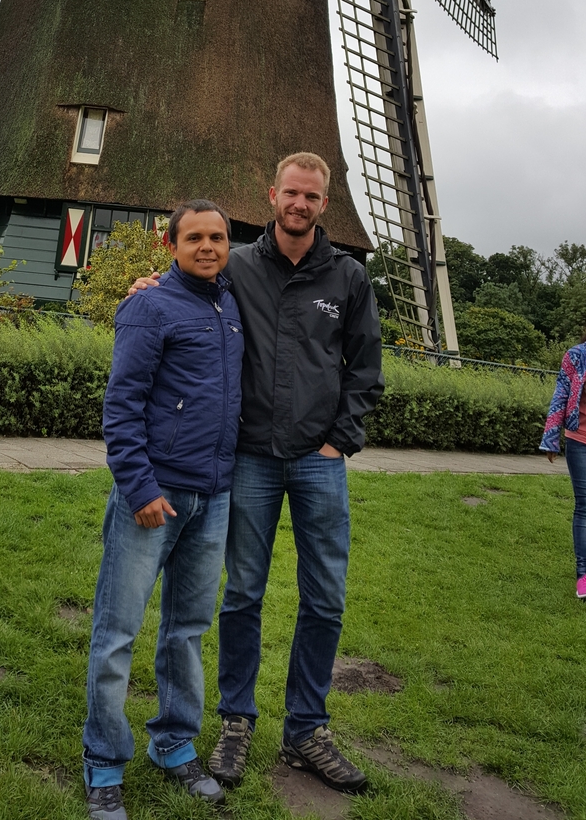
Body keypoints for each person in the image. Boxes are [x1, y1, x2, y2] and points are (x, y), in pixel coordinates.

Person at [132, 152, 383, 795]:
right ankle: (236, 721)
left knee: (323, 595)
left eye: (312, 197)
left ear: (325, 204)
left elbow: (365, 368)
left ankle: (307, 729)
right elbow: (187, 290)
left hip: (318, 459)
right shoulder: (237, 265)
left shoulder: (348, 278)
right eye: (291, 194)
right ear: (272, 195)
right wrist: (148, 289)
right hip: (250, 456)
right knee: (243, 591)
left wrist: (340, 442)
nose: (300, 205)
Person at [83, 199, 244, 820]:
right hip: (154, 495)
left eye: (218, 237)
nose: (207, 246)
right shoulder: (148, 306)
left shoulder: (231, 303)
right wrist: (141, 487)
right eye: (195, 237)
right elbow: (122, 404)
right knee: (117, 630)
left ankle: (175, 743)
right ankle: (103, 762)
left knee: (188, 629)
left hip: (215, 493)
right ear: (171, 244)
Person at [540, 333, 586, 600]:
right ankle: (584, 575)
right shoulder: (576, 356)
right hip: (579, 441)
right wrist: (550, 439)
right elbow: (560, 395)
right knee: (584, 506)